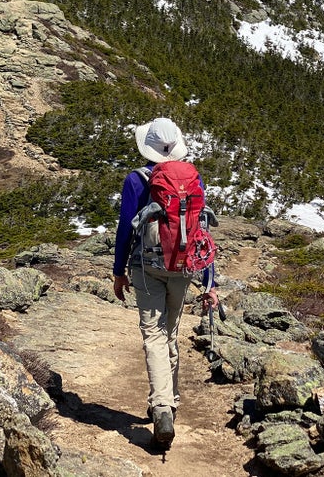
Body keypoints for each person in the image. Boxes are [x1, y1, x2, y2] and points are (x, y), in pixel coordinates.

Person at [112, 117, 219, 447]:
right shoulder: (193, 179)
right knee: (170, 333)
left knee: (154, 336)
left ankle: (162, 407)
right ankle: (169, 399)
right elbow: (201, 231)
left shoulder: (135, 180)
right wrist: (209, 282)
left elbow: (125, 231)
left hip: (147, 268)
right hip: (184, 267)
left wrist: (119, 271)